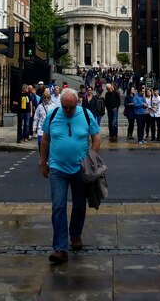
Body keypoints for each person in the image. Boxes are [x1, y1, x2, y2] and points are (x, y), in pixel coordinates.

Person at [40, 88, 101, 264]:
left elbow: (97, 139)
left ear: (77, 104)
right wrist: (43, 162)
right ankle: (60, 248)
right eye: (65, 107)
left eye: (71, 108)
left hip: (80, 169)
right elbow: (45, 140)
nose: (67, 111)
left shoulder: (86, 114)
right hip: (57, 168)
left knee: (79, 205)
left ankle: (75, 234)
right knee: (58, 206)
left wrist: (89, 158)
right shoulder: (53, 115)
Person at [33, 90, 55, 159]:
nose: (46, 99)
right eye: (45, 97)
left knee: (49, 145)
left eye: (47, 97)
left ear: (50, 98)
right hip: (41, 128)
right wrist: (34, 128)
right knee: (40, 142)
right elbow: (36, 117)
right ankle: (42, 157)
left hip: (50, 128)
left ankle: (47, 158)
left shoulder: (53, 106)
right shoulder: (40, 107)